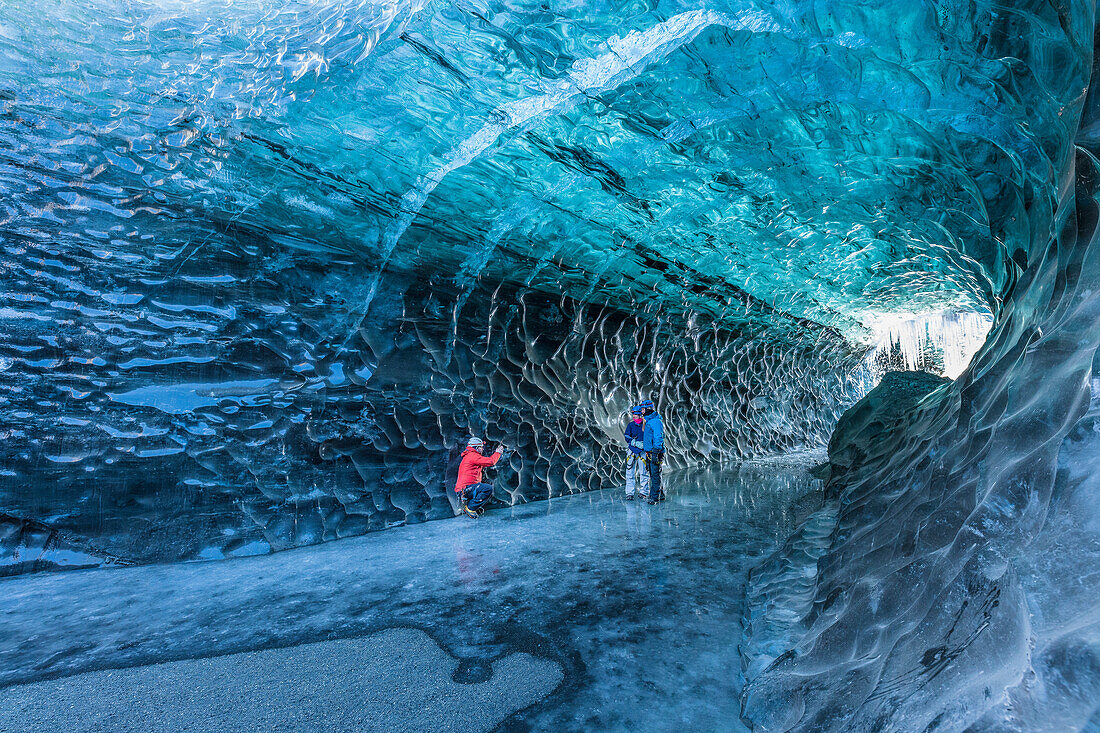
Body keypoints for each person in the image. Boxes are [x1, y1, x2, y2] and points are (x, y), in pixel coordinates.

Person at [455, 437, 506, 518]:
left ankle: (473, 506)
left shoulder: (469, 455)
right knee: (487, 488)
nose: (482, 449)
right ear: (477, 448)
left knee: (485, 484)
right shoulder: (473, 456)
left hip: (465, 488)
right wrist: (498, 453)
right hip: (465, 489)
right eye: (481, 447)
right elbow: (491, 461)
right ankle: (471, 508)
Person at [639, 399, 665, 504]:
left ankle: (654, 497)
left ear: (647, 409)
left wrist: (655, 451)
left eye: (643, 409)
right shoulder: (649, 420)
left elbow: (659, 437)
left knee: (655, 474)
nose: (641, 411)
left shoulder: (655, 421)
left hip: (655, 452)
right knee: (653, 473)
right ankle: (660, 494)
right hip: (650, 452)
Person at [624, 405, 649, 500]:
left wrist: (644, 444)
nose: (634, 416)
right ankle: (629, 492)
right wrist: (633, 442)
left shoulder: (646, 425)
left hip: (642, 451)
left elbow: (649, 436)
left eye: (636, 415)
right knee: (630, 471)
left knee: (643, 472)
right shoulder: (631, 425)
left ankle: (644, 492)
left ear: (640, 415)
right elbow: (627, 436)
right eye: (633, 415)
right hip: (632, 450)